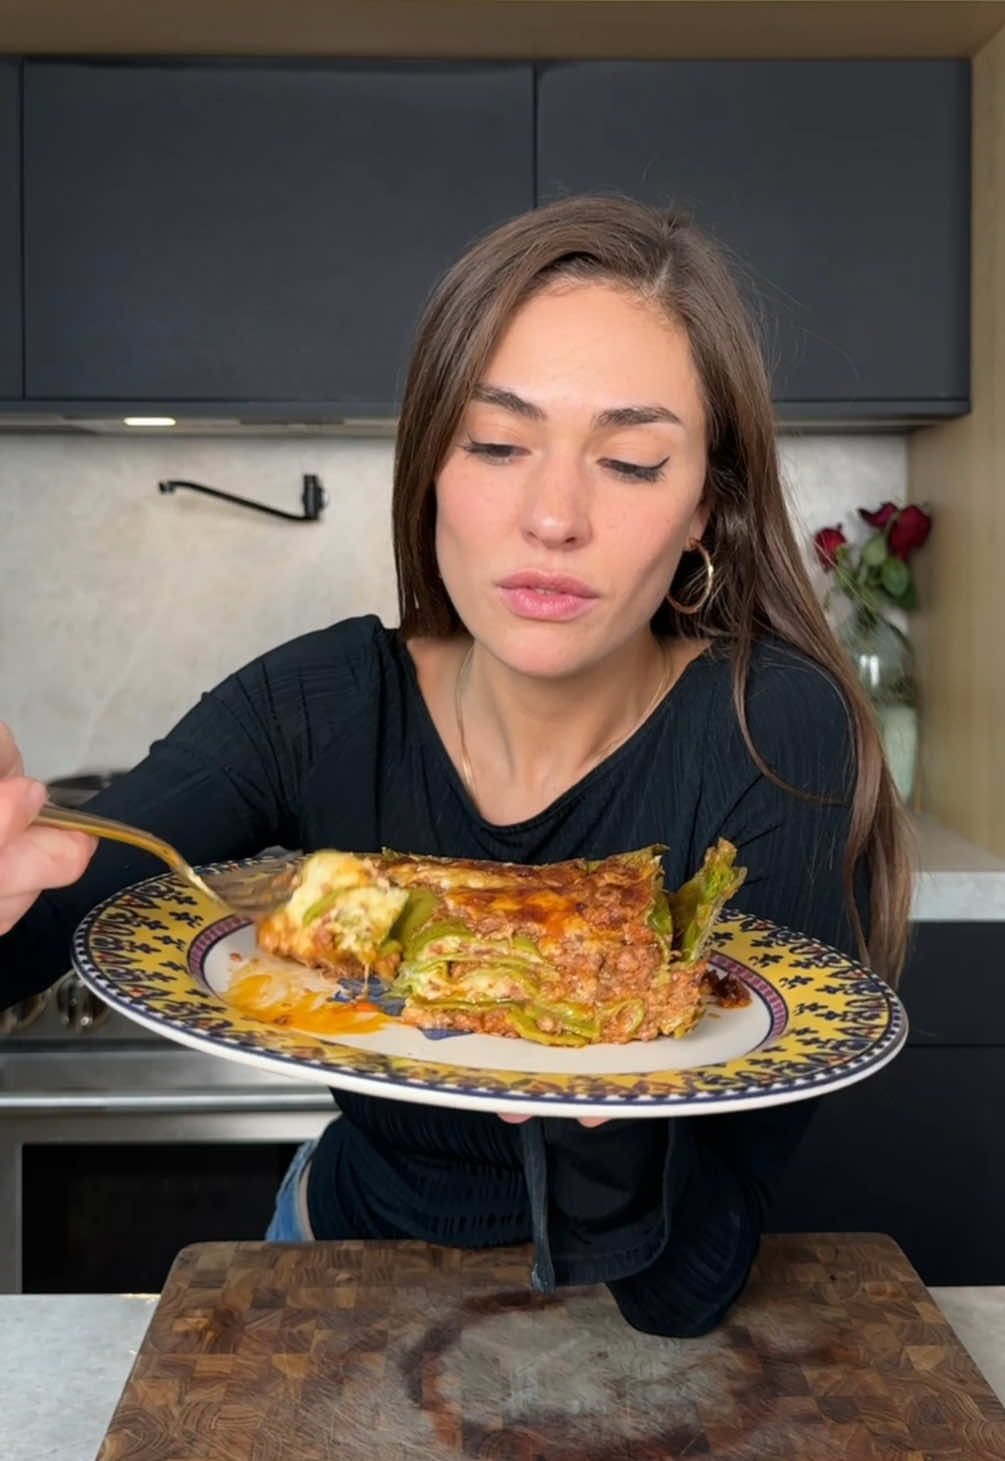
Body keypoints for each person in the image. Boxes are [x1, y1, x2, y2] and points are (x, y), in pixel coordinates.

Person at [0, 195, 913, 1336]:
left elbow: (692, 1286)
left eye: (630, 462)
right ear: (431, 464)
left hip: (618, 1330)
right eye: (495, 443)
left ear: (702, 516)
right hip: (326, 1270)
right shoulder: (318, 704)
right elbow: (48, 919)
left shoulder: (770, 731)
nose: (553, 515)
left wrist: (602, 1123)